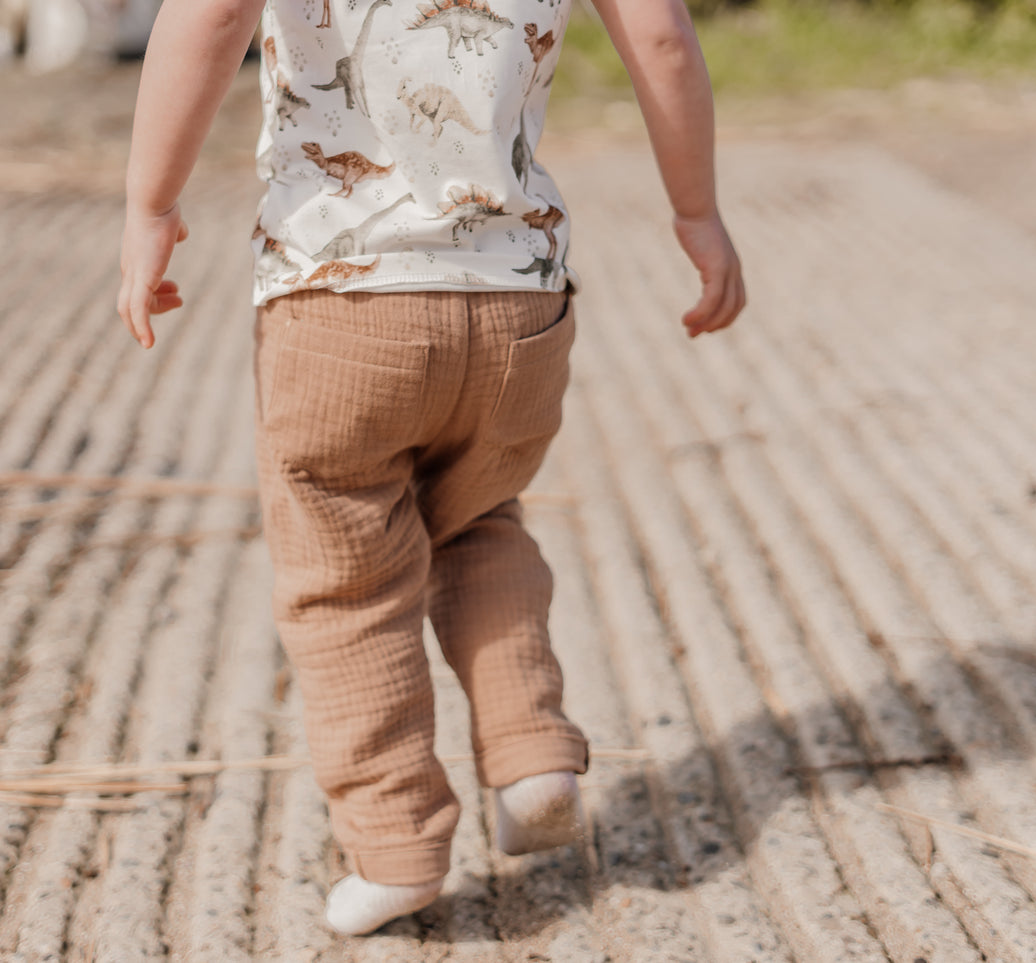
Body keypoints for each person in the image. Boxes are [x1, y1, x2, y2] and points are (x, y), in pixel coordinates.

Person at [116, 0, 744, 937]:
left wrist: (149, 206)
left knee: (345, 580)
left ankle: (396, 839)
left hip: (338, 303)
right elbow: (659, 33)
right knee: (478, 516)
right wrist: (697, 212)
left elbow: (207, 20)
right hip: (517, 306)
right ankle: (532, 751)